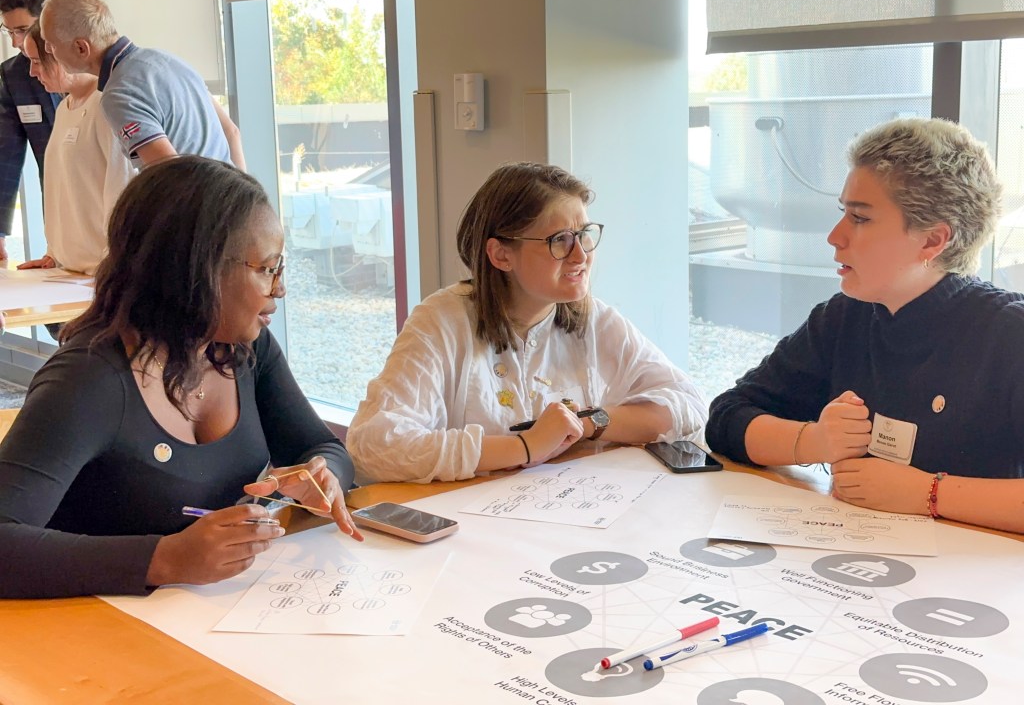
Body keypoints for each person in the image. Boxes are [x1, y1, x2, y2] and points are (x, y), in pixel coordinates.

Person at [0, 156, 362, 599]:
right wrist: (163, 559)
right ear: (200, 268)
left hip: (206, 616)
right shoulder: (88, 380)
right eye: (267, 269)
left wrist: (322, 477)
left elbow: (323, 448)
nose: (280, 288)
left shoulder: (243, 349)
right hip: (96, 627)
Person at [706, 117, 1024, 534]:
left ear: (932, 241)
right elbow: (726, 417)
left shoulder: (1008, 334)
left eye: (860, 218)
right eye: (843, 212)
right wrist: (812, 441)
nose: (834, 236)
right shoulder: (846, 317)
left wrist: (928, 493)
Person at [348, 162, 708, 483]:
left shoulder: (593, 318)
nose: (581, 255)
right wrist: (524, 446)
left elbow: (689, 405)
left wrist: (587, 423)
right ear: (501, 255)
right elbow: (373, 445)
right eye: (560, 240)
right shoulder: (441, 322)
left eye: (585, 234)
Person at [38, 0, 244, 170]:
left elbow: (170, 174)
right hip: (230, 192)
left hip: (198, 199)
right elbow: (232, 132)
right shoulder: (169, 61)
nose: (47, 50)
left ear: (81, 48)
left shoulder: (118, 94)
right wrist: (243, 196)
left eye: (51, 44)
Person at [16, 23, 134, 274]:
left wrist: (114, 262)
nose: (32, 72)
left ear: (59, 54)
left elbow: (121, 187)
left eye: (37, 61)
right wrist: (54, 252)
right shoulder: (64, 107)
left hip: (102, 270)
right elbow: (62, 186)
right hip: (69, 269)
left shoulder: (107, 104)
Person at [0, 0, 58, 262]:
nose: (16, 42)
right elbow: (5, 157)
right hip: (56, 205)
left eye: (22, 30)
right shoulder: (14, 76)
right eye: (8, 31)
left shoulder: (88, 65)